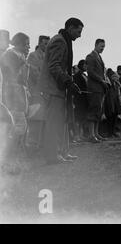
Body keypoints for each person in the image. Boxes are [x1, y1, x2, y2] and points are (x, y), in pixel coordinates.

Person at [38, 18, 83, 164]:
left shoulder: (64, 40)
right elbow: (54, 66)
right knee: (53, 123)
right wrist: (69, 82)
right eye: (78, 31)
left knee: (61, 121)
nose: (80, 35)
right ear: (70, 28)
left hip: (59, 89)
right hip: (53, 89)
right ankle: (53, 156)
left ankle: (62, 152)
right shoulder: (59, 41)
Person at [0, 32, 30, 173]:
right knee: (17, 128)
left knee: (20, 129)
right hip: (13, 96)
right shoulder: (11, 56)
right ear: (18, 43)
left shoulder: (19, 56)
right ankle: (8, 163)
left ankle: (12, 162)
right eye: (26, 44)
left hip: (18, 95)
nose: (28, 47)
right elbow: (12, 77)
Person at [26, 35, 50, 150]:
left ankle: (39, 145)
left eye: (48, 44)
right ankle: (32, 146)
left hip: (45, 93)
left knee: (43, 120)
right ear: (40, 43)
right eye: (45, 44)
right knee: (36, 119)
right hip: (36, 92)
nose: (47, 46)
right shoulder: (33, 55)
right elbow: (35, 75)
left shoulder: (47, 56)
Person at [86, 39, 109, 142]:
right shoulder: (90, 56)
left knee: (98, 112)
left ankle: (96, 133)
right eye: (101, 46)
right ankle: (91, 135)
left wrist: (105, 81)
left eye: (104, 46)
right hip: (94, 88)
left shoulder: (99, 57)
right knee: (93, 111)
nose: (103, 48)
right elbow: (90, 72)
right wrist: (101, 80)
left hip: (100, 89)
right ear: (95, 45)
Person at [103, 68, 121, 137]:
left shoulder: (116, 85)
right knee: (110, 119)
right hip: (109, 103)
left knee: (115, 118)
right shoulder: (108, 84)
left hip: (115, 103)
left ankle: (113, 131)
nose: (115, 78)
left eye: (115, 76)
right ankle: (110, 132)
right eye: (113, 76)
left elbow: (118, 95)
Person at [73, 59, 89, 141]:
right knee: (78, 118)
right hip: (79, 99)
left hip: (85, 99)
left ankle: (80, 134)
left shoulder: (85, 75)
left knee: (82, 118)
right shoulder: (76, 76)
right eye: (85, 65)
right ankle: (76, 135)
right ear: (81, 65)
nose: (86, 66)